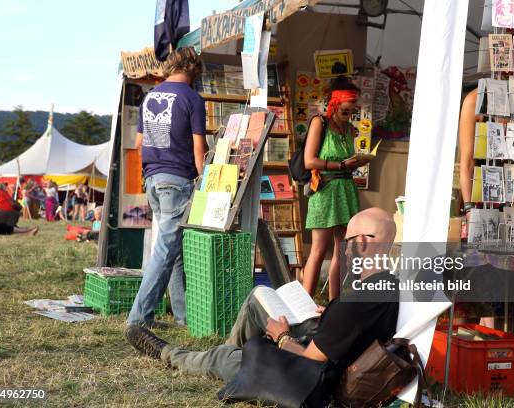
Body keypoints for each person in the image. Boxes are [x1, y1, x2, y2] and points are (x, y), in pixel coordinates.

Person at [124, 208, 399, 390]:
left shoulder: (355, 305)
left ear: (361, 242)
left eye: (347, 241)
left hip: (311, 379)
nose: (345, 250)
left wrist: (281, 338)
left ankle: (169, 354)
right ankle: (233, 354)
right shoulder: (387, 285)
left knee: (225, 358)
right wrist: (330, 314)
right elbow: (354, 326)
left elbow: (310, 360)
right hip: (334, 350)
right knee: (259, 297)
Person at [127, 47, 207, 328]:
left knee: (171, 248)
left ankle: (183, 317)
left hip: (153, 178)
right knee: (165, 250)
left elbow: (138, 144)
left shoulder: (149, 97)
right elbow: (199, 150)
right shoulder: (193, 99)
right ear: (192, 68)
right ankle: (138, 318)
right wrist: (207, 182)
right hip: (177, 180)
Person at [302, 77, 369, 300]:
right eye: (345, 111)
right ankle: (303, 306)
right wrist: (340, 164)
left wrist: (357, 162)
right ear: (334, 104)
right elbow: (309, 161)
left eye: (352, 111)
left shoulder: (350, 130)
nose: (349, 116)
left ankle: (333, 304)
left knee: (343, 252)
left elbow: (346, 160)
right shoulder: (319, 123)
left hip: (346, 190)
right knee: (319, 250)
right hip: (325, 190)